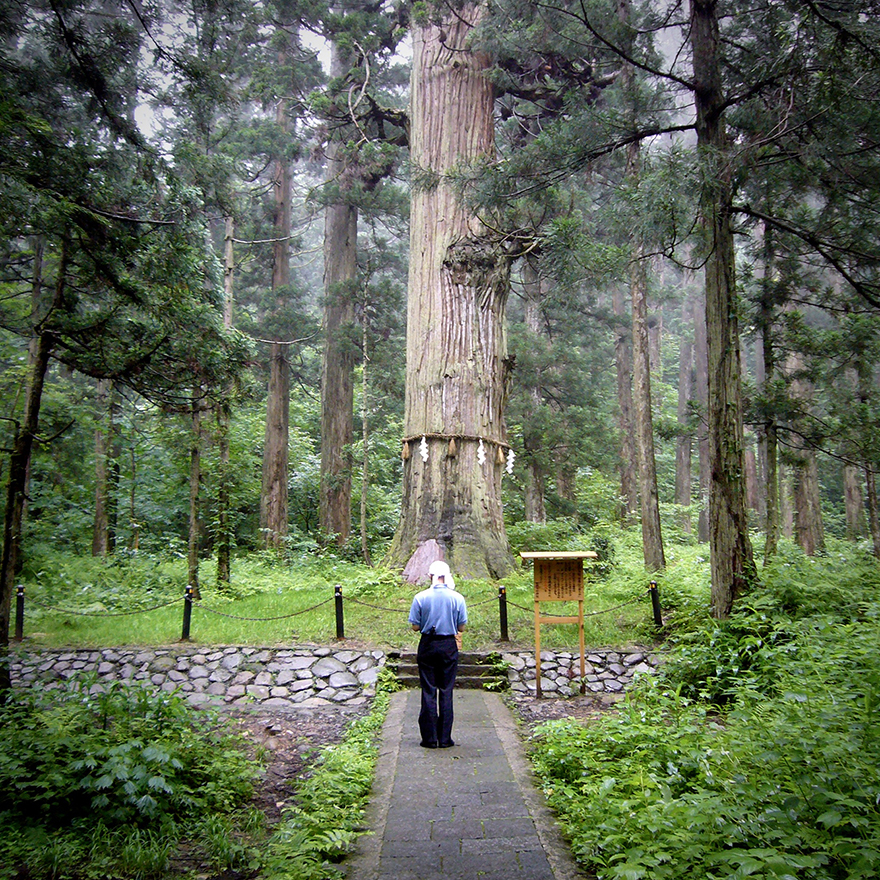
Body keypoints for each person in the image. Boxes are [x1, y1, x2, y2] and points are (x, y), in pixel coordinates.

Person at [408, 559, 468, 749]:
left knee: (428, 689)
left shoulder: (420, 597)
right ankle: (445, 738)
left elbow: (415, 626)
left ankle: (429, 738)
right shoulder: (457, 598)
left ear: (430, 576)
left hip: (427, 644)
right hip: (448, 645)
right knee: (446, 690)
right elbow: (462, 626)